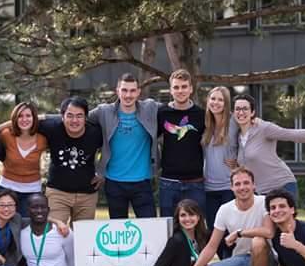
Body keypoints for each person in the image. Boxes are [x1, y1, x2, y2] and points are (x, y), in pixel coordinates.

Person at [184, 167, 278, 266]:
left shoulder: (264, 202)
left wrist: (240, 233)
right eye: (238, 184)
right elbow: (211, 246)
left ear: (254, 185)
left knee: (258, 241)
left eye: (246, 183)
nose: (242, 187)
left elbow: (269, 232)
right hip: (241, 260)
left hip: (267, 260)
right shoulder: (225, 209)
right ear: (232, 188)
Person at [89, 73, 158, 219]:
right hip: (114, 182)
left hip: (142, 181)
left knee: (150, 228)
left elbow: (175, 110)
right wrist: (43, 119)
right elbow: (77, 118)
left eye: (132, 90)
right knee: (119, 233)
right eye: (124, 90)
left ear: (139, 92)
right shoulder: (103, 112)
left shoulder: (150, 108)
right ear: (117, 91)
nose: (128, 95)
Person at [39, 97, 103, 223]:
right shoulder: (52, 127)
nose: (74, 120)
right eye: (70, 115)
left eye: (79, 116)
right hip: (57, 193)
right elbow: (24, 120)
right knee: (54, 235)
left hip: (87, 196)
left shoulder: (96, 133)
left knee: (83, 239)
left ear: (86, 117)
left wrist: (103, 172)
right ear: (62, 116)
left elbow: (114, 149)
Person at [157, 69, 206, 218]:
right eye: (176, 87)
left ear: (191, 89)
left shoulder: (201, 115)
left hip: (195, 183)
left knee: (197, 228)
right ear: (171, 90)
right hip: (168, 182)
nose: (180, 91)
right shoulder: (161, 113)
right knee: (168, 228)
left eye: (184, 86)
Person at [146, 199, 209, 266]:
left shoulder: (202, 237)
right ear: (178, 218)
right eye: (183, 215)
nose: (187, 219)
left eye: (191, 214)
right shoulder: (176, 240)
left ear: (198, 217)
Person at [202, 86, 238, 259]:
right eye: (213, 99)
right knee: (213, 232)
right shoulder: (206, 124)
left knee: (230, 233)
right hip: (209, 188)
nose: (216, 103)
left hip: (228, 187)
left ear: (226, 103)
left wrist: (240, 161)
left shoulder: (234, 123)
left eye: (220, 100)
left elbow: (248, 139)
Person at [0, 102, 47, 217]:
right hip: (7, 188)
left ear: (34, 118)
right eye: (20, 116)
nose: (24, 119)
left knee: (25, 227)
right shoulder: (6, 135)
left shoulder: (42, 139)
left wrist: (39, 117)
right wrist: (12, 123)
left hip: (32, 190)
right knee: (4, 226)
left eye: (28, 116)